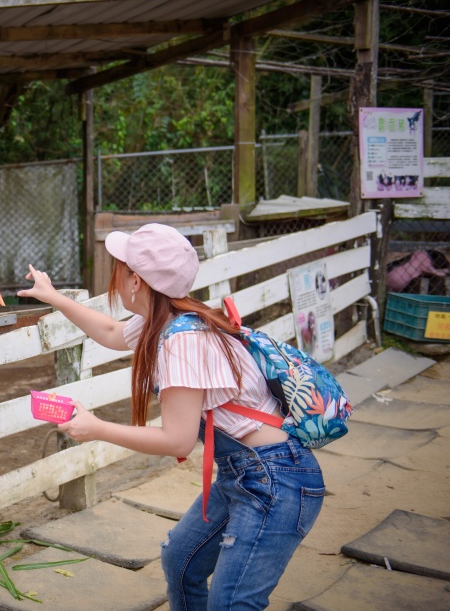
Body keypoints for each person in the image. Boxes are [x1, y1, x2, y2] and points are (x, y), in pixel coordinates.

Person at [17, 223, 325, 611]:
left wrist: (96, 428)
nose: (115, 276)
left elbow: (177, 440)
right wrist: (54, 297)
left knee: (231, 604)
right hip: (246, 473)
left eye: (120, 267)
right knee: (181, 561)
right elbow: (111, 331)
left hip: (275, 480)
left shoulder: (182, 340)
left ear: (135, 280)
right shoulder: (165, 320)